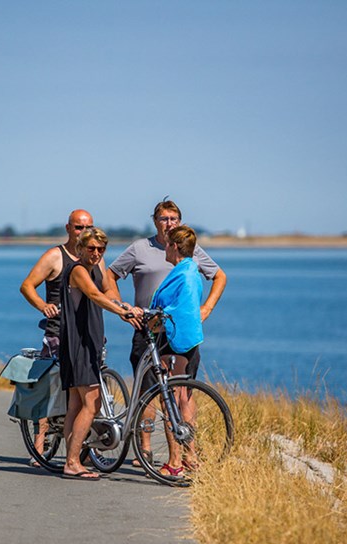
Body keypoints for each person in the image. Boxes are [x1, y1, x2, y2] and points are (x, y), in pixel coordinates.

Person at [107, 199, 226, 466]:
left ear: (180, 222)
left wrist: (206, 308)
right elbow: (110, 274)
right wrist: (122, 307)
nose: (169, 223)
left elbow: (219, 276)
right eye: (164, 218)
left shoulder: (188, 250)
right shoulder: (140, 248)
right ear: (155, 221)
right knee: (147, 391)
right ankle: (145, 449)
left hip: (178, 331)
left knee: (181, 392)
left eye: (174, 218)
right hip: (146, 329)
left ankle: (187, 454)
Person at [59, 228, 141, 480]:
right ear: (80, 249)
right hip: (78, 343)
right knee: (92, 403)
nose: (96, 253)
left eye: (101, 249)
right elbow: (95, 295)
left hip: (89, 341)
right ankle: (72, 462)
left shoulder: (96, 269)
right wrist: (121, 313)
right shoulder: (78, 270)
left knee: (75, 404)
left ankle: (74, 458)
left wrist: (124, 305)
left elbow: (109, 292)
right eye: (91, 248)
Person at [19, 209, 96, 466]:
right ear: (68, 228)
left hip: (86, 334)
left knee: (85, 393)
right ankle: (39, 448)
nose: (84, 232)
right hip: (58, 333)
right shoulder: (55, 256)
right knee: (51, 392)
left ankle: (82, 448)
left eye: (88, 227)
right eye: (78, 227)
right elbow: (27, 285)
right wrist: (43, 305)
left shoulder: (94, 257)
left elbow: (104, 289)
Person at [149, 226, 203, 476]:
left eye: (167, 244)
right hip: (186, 340)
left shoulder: (184, 274)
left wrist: (156, 318)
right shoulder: (189, 270)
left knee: (171, 398)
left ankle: (175, 463)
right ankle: (190, 458)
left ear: (174, 247)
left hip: (175, 341)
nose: (164, 249)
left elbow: (179, 308)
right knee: (183, 399)